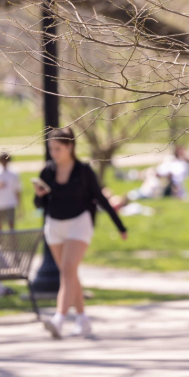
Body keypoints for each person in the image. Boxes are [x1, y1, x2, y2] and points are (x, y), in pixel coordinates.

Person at [33, 127, 127, 339]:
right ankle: (83, 320)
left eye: (58, 148)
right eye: (51, 148)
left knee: (66, 271)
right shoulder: (47, 171)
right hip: (54, 226)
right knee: (70, 274)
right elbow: (40, 203)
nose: (53, 153)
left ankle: (58, 319)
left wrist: (120, 227)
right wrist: (39, 195)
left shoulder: (84, 171)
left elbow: (101, 199)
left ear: (70, 147)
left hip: (79, 223)